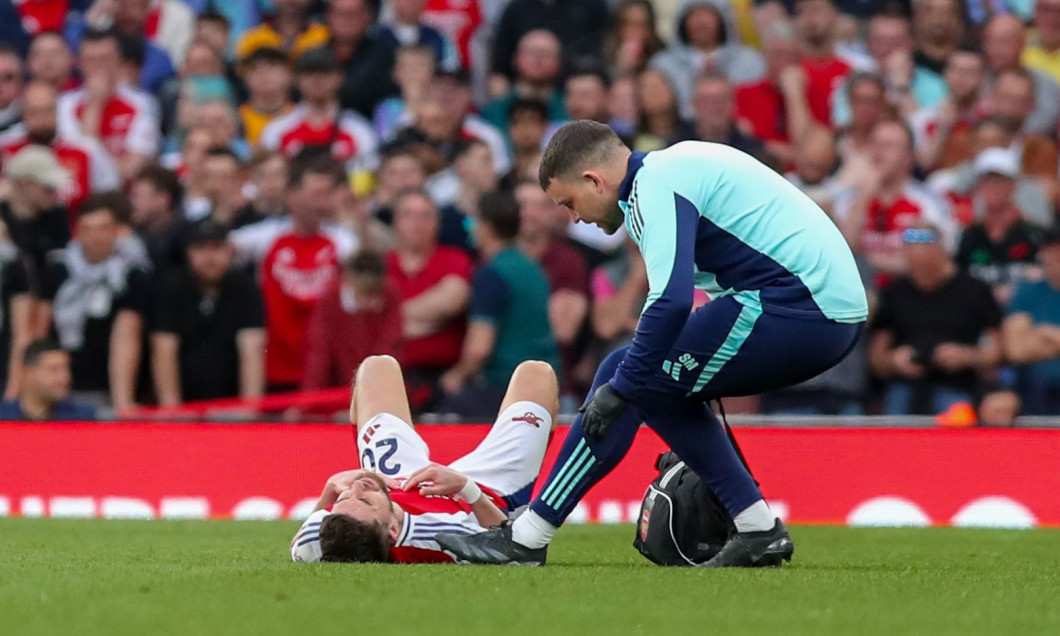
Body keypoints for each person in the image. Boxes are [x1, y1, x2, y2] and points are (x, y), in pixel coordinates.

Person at [436, 120, 866, 568]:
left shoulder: (654, 184)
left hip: (800, 307)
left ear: (594, 180)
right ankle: (756, 527)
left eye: (569, 203)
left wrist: (624, 388)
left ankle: (528, 536)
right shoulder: (672, 168)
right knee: (650, 380)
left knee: (625, 374)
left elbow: (670, 302)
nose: (575, 218)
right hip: (819, 310)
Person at [290, 354, 557, 563]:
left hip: (400, 478)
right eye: (365, 500)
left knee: (376, 367)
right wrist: (466, 487)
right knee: (537, 374)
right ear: (393, 530)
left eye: (344, 498)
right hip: (487, 491)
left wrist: (331, 488)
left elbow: (300, 542)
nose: (357, 487)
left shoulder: (327, 533)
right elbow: (513, 544)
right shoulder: (438, 536)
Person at [229, 153, 357, 392]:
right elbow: (220, 247)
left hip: (326, 366)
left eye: (327, 194)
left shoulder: (343, 242)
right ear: (291, 195)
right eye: (315, 194)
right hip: (277, 365)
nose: (321, 203)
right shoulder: (266, 237)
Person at [439, 190, 558, 419]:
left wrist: (456, 376)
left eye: (473, 222)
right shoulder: (533, 268)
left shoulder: (492, 274)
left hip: (504, 385)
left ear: (487, 227)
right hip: (543, 383)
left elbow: (479, 349)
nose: (470, 228)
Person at [869, 222, 1003, 416]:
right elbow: (876, 357)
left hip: (957, 387)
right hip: (905, 388)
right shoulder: (894, 293)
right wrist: (895, 360)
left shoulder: (974, 291)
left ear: (942, 250)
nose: (919, 259)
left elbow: (997, 351)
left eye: (926, 248)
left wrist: (966, 356)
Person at [40, 192, 151, 413]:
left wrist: (122, 401)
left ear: (116, 230)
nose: (96, 237)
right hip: (62, 386)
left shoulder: (131, 274)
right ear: (77, 232)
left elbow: (126, 336)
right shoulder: (58, 269)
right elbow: (41, 330)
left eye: (103, 228)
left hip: (108, 388)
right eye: (88, 229)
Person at [151, 221, 265, 405]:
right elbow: (164, 349)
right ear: (188, 252)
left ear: (230, 251)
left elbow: (252, 348)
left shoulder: (245, 288)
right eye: (201, 248)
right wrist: (171, 408)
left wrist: (250, 408)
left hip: (231, 403)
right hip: (185, 404)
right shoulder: (172, 288)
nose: (209, 257)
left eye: (217, 248)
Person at [385, 189, 471, 411]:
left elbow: (450, 303)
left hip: (440, 379)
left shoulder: (454, 259)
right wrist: (428, 317)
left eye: (426, 215)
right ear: (395, 222)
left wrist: (389, 320)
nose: (418, 223)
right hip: (388, 376)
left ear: (438, 223)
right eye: (408, 214)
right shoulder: (382, 266)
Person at [0, 80, 121, 218]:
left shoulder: (85, 149)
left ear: (58, 110)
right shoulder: (5, 148)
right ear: (23, 114)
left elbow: (110, 195)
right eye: (34, 112)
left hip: (75, 228)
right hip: (20, 227)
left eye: (47, 111)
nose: (41, 119)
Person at [57, 28, 160, 182]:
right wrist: (94, 106)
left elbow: (134, 169)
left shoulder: (142, 103)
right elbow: (78, 164)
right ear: (80, 64)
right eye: (91, 60)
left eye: (104, 59)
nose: (98, 67)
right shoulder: (65, 104)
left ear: (118, 61)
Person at [259, 47, 378, 173]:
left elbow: (368, 175)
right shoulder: (277, 130)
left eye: (325, 73)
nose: (316, 80)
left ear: (339, 77)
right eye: (309, 73)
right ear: (296, 79)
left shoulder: (358, 130)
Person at [302, 251, 403, 390]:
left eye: (372, 295)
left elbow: (390, 345)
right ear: (349, 281)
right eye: (362, 294)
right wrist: (310, 396)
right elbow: (319, 354)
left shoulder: (391, 295)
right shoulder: (330, 300)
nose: (367, 301)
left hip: (376, 386)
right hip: (337, 385)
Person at [956, 148, 1044, 304]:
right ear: (978, 186)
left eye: (1000, 181)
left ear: (1013, 186)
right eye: (987, 181)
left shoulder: (1034, 234)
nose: (993, 187)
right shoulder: (969, 236)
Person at [1003, 228, 1060, 415]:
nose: (1055, 257)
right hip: (1037, 387)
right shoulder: (1027, 292)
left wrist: (1049, 334)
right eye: (1050, 250)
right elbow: (1017, 350)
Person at [0, 339, 96, 421]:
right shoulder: (4, 418)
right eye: (53, 369)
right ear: (28, 373)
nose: (64, 377)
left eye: (67, 369)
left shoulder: (83, 417)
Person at [238, 47, 294, 148]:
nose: (263, 72)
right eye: (254, 67)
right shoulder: (235, 120)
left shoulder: (303, 117)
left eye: (272, 65)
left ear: (289, 74)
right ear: (245, 78)